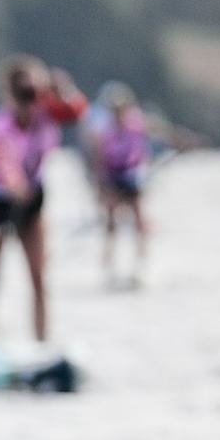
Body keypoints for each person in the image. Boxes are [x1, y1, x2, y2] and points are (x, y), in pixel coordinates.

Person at [0, 54, 86, 372]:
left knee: (38, 278)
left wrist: (64, 89)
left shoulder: (47, 112)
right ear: (8, 96)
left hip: (32, 200)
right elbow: (5, 168)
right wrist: (16, 186)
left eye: (33, 95)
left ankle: (42, 346)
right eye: (22, 97)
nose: (29, 104)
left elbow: (77, 112)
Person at [88, 82, 152, 290]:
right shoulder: (104, 131)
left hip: (131, 175)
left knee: (139, 220)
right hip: (113, 176)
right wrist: (99, 184)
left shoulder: (137, 125)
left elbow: (147, 147)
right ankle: (109, 267)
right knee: (110, 222)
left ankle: (141, 265)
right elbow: (99, 158)